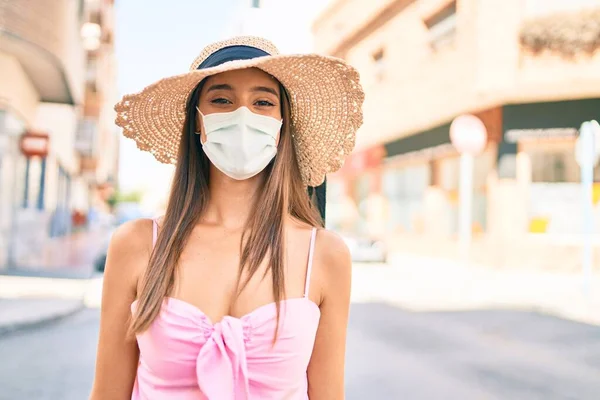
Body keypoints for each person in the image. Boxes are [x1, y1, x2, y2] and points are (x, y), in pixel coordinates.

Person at [89, 36, 364, 400]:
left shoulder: (325, 255)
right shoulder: (137, 244)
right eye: (221, 99)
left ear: (282, 126)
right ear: (198, 122)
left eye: (263, 102)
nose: (242, 115)